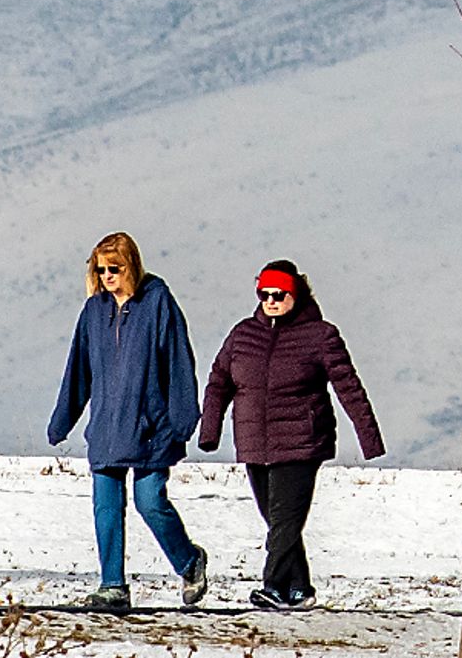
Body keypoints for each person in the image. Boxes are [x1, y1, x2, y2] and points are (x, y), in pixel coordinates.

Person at [194, 258, 384, 610]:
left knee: (284, 520)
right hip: (254, 443)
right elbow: (218, 382)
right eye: (264, 294)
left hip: (301, 443)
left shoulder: (321, 336)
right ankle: (300, 588)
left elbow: (349, 387)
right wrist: (210, 430)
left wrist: (369, 438)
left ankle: (273, 587)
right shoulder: (242, 334)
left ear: (296, 294)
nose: (271, 301)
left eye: (279, 294)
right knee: (278, 521)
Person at [47, 230, 210, 613]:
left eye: (114, 268)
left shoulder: (158, 303)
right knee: (106, 506)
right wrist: (62, 421)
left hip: (152, 428)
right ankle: (113, 585)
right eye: (100, 269)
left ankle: (189, 562)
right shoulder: (93, 312)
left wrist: (183, 420)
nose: (107, 276)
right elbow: (79, 370)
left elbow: (179, 363)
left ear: (131, 264)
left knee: (150, 502)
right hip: (106, 429)